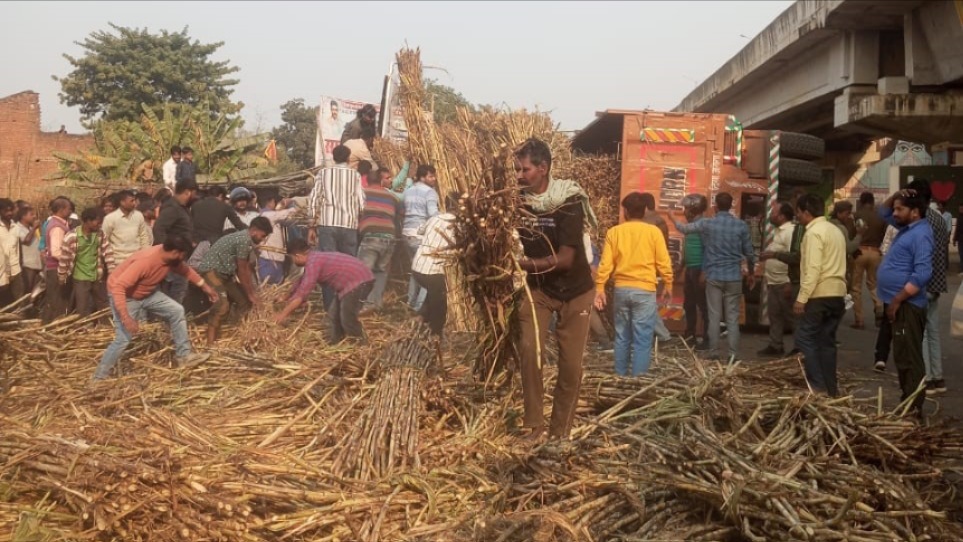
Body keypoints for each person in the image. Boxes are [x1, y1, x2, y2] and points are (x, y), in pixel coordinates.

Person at [514, 138, 597, 441]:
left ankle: (559, 434)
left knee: (571, 367)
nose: (519, 176)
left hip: (576, 291)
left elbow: (565, 260)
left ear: (543, 168)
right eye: (517, 170)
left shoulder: (569, 200)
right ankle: (534, 426)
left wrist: (523, 265)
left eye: (524, 170)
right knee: (529, 349)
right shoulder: (516, 201)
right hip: (540, 291)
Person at [93, 235, 218, 380]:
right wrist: (126, 317)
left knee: (176, 311)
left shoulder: (171, 259)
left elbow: (186, 271)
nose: (183, 259)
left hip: (148, 293)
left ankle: (184, 356)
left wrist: (206, 287)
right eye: (183, 255)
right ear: (175, 252)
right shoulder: (146, 261)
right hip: (125, 296)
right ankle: (99, 378)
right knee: (123, 338)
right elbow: (118, 287)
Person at [594, 192, 673, 376]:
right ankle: (638, 380)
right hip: (645, 290)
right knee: (642, 338)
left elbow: (605, 264)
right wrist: (668, 283)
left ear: (626, 212)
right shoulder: (653, 232)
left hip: (622, 289)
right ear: (645, 211)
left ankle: (620, 376)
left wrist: (600, 288)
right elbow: (663, 261)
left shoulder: (615, 232)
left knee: (622, 337)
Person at [672, 192, 755, 362]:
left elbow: (684, 229)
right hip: (733, 277)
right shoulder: (741, 226)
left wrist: (671, 217)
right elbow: (750, 253)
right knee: (732, 318)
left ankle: (714, 352)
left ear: (716, 206)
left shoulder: (708, 224)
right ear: (730, 205)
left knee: (714, 314)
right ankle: (732, 354)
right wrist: (751, 273)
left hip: (714, 276)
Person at [876, 187, 933, 416]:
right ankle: (908, 401)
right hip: (900, 304)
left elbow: (922, 274)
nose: (895, 212)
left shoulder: (921, 235)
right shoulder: (907, 227)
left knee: (909, 357)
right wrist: (898, 194)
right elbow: (883, 212)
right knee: (901, 355)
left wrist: (898, 300)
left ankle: (913, 406)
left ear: (915, 212)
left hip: (908, 305)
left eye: (900, 209)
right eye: (896, 208)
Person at [793, 194, 847, 397]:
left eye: (798, 212)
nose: (797, 217)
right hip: (837, 294)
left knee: (805, 338)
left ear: (806, 213)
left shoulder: (813, 233)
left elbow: (813, 268)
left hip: (819, 294)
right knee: (827, 342)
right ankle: (832, 389)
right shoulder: (835, 230)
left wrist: (802, 297)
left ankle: (817, 386)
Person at [274, 239, 374, 344]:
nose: (293, 262)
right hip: (352, 283)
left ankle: (361, 345)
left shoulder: (313, 263)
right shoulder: (314, 259)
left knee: (347, 319)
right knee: (333, 317)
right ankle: (335, 343)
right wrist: (286, 296)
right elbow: (301, 282)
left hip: (358, 282)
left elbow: (302, 294)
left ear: (297, 255)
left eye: (293, 258)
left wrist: (282, 315)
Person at [196, 216, 271, 346]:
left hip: (225, 273)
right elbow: (241, 271)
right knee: (222, 305)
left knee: (244, 302)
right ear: (254, 230)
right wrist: (251, 294)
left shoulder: (245, 241)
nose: (262, 239)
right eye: (262, 235)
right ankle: (210, 344)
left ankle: (235, 333)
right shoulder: (243, 240)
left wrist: (251, 294)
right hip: (212, 271)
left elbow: (246, 269)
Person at [910, 181, 949, 395]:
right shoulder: (940, 219)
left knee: (921, 332)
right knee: (933, 331)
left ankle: (926, 379)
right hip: (937, 282)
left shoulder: (921, 220)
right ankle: (938, 377)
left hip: (922, 282)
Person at [307, 144, 365, 256]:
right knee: (347, 264)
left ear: (333, 158)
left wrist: (311, 226)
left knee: (329, 263)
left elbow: (314, 199)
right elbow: (361, 203)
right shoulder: (355, 175)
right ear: (348, 158)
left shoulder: (323, 173)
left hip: (327, 224)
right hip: (349, 225)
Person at [358, 168, 403, 311]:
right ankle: (375, 304)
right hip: (390, 237)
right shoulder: (392, 197)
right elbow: (401, 213)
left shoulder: (362, 193)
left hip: (371, 236)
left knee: (363, 271)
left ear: (368, 181)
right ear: (380, 181)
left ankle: (361, 304)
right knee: (381, 271)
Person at [58, 207, 113, 317]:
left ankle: (106, 326)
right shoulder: (71, 237)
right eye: (97, 222)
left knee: (103, 304)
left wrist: (112, 271)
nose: (100, 225)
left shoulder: (100, 234)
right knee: (83, 306)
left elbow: (108, 252)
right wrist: (62, 276)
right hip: (80, 277)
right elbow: (64, 259)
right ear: (88, 221)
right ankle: (84, 328)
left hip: (97, 275)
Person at [411, 200, 456, 336]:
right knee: (440, 304)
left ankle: (420, 318)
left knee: (433, 294)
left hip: (417, 267)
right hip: (433, 270)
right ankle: (436, 334)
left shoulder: (435, 218)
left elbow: (419, 231)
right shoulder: (459, 225)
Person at [757, 203, 796, 357]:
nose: (770, 215)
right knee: (775, 315)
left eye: (773, 212)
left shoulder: (790, 232)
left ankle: (799, 348)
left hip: (783, 282)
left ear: (781, 216)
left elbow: (794, 257)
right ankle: (776, 345)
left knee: (791, 317)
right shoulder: (779, 231)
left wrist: (788, 282)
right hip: (774, 281)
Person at [402, 164, 440, 311]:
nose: (434, 179)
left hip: (406, 234)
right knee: (427, 271)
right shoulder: (430, 192)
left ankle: (410, 302)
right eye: (430, 176)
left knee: (415, 270)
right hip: (420, 235)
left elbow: (402, 208)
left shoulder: (408, 191)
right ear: (422, 177)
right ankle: (418, 308)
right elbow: (432, 214)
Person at [154, 180, 198, 304]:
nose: (196, 197)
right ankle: (172, 319)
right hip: (173, 258)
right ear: (187, 192)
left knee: (178, 289)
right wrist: (169, 252)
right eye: (194, 194)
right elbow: (159, 229)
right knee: (177, 289)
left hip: (180, 256)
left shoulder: (181, 208)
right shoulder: (172, 208)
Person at [638, 192, 672, 342]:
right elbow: (664, 248)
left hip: (642, 267)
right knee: (646, 303)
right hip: (654, 267)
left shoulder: (643, 223)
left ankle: (663, 335)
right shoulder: (661, 221)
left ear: (644, 206)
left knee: (647, 305)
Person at [850, 192, 887, 329]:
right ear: (872, 201)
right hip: (875, 252)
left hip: (860, 252)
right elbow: (884, 236)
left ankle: (859, 320)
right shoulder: (881, 216)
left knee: (856, 287)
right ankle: (879, 307)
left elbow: (852, 234)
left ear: (861, 201)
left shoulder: (856, 215)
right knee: (873, 284)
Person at [680, 194, 709, 349]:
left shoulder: (703, 225)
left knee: (703, 305)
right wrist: (681, 265)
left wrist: (704, 272)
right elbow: (689, 248)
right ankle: (690, 334)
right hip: (690, 268)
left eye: (686, 208)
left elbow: (707, 249)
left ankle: (707, 338)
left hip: (698, 269)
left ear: (694, 209)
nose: (684, 211)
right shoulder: (691, 225)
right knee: (689, 304)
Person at [42, 197, 74, 323]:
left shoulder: (60, 224)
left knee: (58, 298)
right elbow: (56, 252)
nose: (70, 211)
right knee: (57, 299)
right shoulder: (57, 227)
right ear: (61, 209)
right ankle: (55, 326)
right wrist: (71, 259)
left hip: (58, 267)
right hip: (56, 267)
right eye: (68, 209)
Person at [102, 190, 152, 271]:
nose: (134, 203)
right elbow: (104, 241)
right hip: (118, 262)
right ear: (122, 202)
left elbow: (144, 236)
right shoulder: (110, 218)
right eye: (131, 201)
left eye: (135, 200)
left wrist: (146, 255)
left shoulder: (138, 215)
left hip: (137, 260)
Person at [255, 191, 297, 285]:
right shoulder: (267, 215)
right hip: (269, 259)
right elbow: (289, 213)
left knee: (275, 287)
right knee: (269, 286)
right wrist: (291, 203)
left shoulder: (267, 215)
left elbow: (288, 221)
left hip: (275, 258)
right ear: (271, 202)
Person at [14, 205, 42, 296]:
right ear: (23, 216)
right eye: (31, 214)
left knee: (33, 292)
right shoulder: (17, 228)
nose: (34, 216)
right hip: (27, 265)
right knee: (26, 291)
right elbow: (26, 241)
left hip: (35, 264)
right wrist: (34, 228)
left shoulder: (30, 228)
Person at [0, 198, 21, 306]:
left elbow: (17, 249)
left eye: (10, 210)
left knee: (18, 299)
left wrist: (16, 269)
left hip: (15, 269)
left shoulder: (15, 227)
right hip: (2, 271)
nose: (9, 213)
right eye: (5, 211)